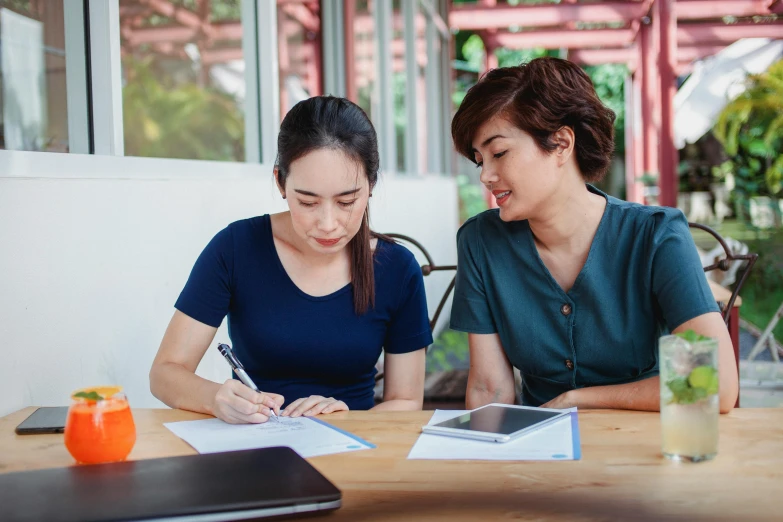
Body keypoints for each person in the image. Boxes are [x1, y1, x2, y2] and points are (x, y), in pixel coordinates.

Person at [449, 57, 738, 413]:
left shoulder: (656, 236)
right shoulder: (481, 242)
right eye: (480, 160)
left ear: (561, 143)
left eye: (499, 153)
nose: (486, 176)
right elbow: (489, 389)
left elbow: (716, 382)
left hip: (646, 443)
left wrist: (577, 400)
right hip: (538, 449)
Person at [150, 96, 431, 424]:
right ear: (280, 182)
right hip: (256, 449)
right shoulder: (236, 249)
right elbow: (165, 374)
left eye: (346, 201)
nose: (328, 224)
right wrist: (214, 398)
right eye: (308, 202)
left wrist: (349, 418)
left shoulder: (396, 269)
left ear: (371, 185)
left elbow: (407, 401)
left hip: (356, 450)